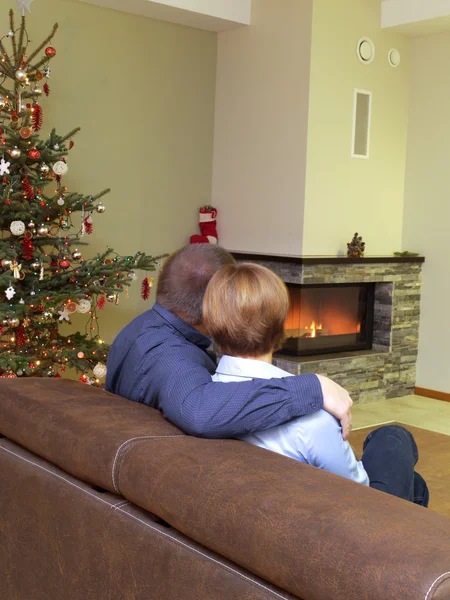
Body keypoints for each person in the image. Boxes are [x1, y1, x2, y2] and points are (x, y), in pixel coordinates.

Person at [203, 262, 429, 505]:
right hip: (353, 520)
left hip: (274, 508)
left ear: (211, 324)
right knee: (394, 438)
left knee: (412, 479)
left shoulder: (206, 401)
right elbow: (360, 491)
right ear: (280, 325)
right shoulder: (311, 420)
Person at [106, 244, 352, 440]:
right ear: (214, 307)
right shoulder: (170, 356)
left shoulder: (139, 328)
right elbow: (201, 412)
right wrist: (312, 387)